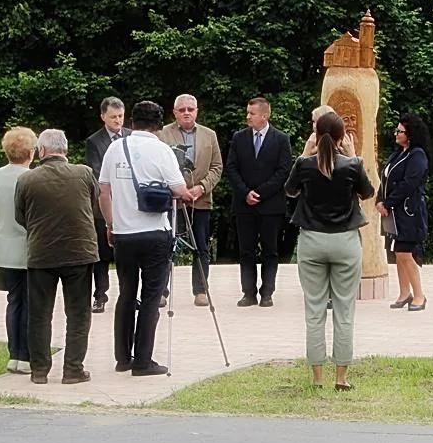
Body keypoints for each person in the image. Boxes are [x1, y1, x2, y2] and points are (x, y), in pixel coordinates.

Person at [99, 100, 194, 375]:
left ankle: (122, 357)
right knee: (151, 297)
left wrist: (110, 224)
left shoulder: (115, 147)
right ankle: (143, 360)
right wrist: (189, 192)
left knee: (126, 293)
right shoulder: (162, 150)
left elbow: (103, 190)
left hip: (124, 233)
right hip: (154, 233)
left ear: (131, 123)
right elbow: (179, 189)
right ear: (159, 125)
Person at [284, 111, 376, 390]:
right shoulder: (351, 165)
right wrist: (354, 154)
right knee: (344, 310)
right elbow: (368, 192)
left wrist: (304, 153)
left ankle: (317, 378)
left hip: (312, 240)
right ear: (340, 137)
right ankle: (341, 378)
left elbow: (289, 190)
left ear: (316, 135)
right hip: (345, 241)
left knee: (314, 310)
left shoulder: (304, 165)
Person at [15, 129, 101, 384]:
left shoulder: (27, 179)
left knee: (40, 314)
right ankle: (73, 369)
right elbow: (93, 204)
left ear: (41, 151)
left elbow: (20, 216)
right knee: (78, 313)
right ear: (65, 150)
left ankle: (39, 370)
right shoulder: (84, 173)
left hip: (42, 253)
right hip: (80, 252)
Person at [226, 97, 293, 307]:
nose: (248, 117)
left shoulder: (281, 139)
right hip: (244, 204)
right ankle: (248, 292)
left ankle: (267, 292)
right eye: (247, 112)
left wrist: (261, 193)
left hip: (270, 205)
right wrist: (246, 192)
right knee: (246, 250)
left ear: (264, 116)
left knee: (270, 250)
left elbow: (283, 171)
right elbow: (232, 167)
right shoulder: (239, 138)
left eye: (251, 113)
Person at [160, 94, 224, 306]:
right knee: (166, 245)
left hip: (201, 200)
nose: (186, 112)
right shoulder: (162, 134)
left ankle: (201, 290)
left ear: (197, 111)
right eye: (182, 109)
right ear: (175, 112)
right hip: (172, 201)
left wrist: (201, 187)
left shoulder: (209, 135)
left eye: (190, 109)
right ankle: (161, 291)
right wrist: (176, 189)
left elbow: (217, 167)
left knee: (201, 246)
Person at [0, 127, 35, 374]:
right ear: (30, 152)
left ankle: (14, 354)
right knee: (29, 303)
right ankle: (26, 355)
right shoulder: (30, 177)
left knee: (14, 301)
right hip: (27, 247)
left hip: (3, 246)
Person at [379, 113, 430, 310]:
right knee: (398, 253)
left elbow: (409, 183)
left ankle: (419, 295)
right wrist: (379, 200)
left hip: (409, 212)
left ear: (410, 134)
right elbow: (386, 179)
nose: (396, 134)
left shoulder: (417, 155)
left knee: (406, 253)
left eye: (400, 131)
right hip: (394, 212)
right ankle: (404, 293)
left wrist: (389, 202)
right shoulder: (398, 154)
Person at [85, 97, 130, 313]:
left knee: (127, 253)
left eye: (120, 116)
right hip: (104, 203)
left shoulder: (131, 136)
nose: (118, 121)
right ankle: (100, 295)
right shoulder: (94, 142)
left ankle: (128, 294)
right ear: (103, 116)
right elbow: (96, 171)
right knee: (102, 254)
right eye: (113, 117)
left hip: (129, 204)